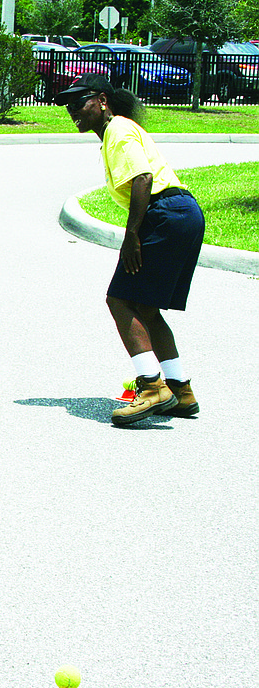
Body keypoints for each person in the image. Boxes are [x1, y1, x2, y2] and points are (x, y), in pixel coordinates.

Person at [55, 74, 205, 426]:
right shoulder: (116, 131)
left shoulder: (119, 131)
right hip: (183, 214)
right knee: (146, 310)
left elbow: (142, 177)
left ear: (103, 101)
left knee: (119, 300)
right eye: (68, 106)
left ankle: (152, 387)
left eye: (80, 103)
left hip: (165, 214)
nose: (73, 110)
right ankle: (180, 390)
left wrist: (132, 235)